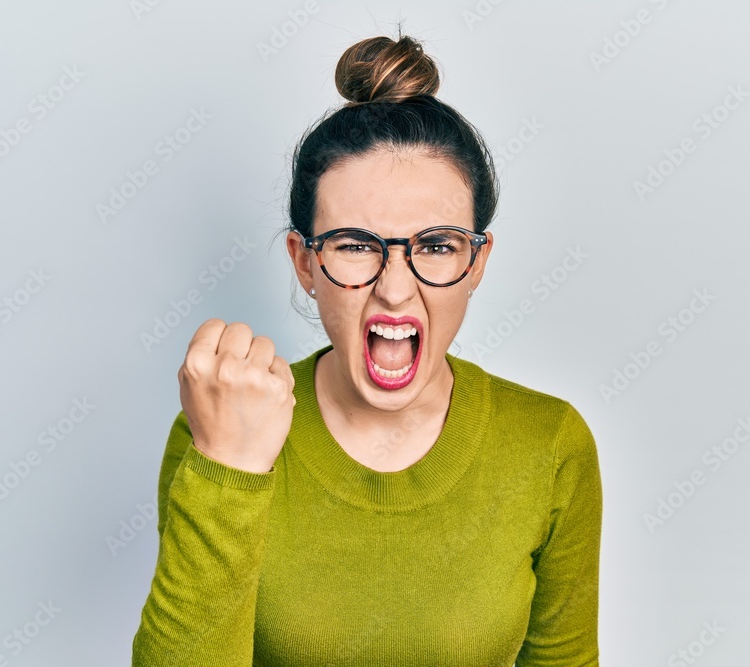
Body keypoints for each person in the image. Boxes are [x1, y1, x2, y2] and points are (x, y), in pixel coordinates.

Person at [132, 30, 602, 666]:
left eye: (436, 245)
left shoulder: (549, 444)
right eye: (355, 244)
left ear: (478, 262)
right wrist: (229, 470)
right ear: (304, 262)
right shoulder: (218, 430)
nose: (396, 291)